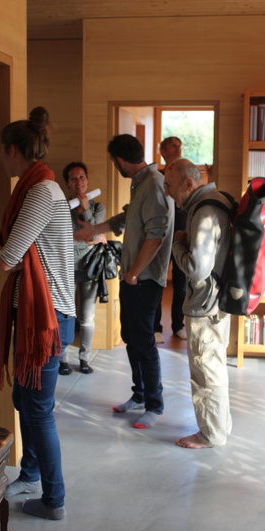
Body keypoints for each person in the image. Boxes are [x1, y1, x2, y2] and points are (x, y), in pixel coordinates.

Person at [0, 106, 76, 520]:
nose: (0, 160)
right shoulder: (37, 187)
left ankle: (54, 500)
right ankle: (29, 474)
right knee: (24, 399)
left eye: (1, 152)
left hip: (47, 319)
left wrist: (9, 250)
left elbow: (8, 257)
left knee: (38, 409)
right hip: (37, 316)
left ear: (13, 151)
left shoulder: (41, 191)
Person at [75, 134, 174, 428]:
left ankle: (154, 406)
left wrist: (133, 273)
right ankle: (140, 395)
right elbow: (126, 218)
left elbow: (156, 237)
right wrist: (93, 229)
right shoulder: (141, 182)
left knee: (144, 342)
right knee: (131, 337)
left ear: (119, 160)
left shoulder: (154, 183)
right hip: (132, 276)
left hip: (144, 278)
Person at [164, 158, 232, 449]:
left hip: (206, 306)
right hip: (218, 303)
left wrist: (177, 243)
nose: (167, 192)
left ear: (188, 183)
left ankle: (210, 434)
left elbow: (197, 269)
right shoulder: (219, 199)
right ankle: (219, 427)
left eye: (169, 185)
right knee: (214, 367)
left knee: (205, 372)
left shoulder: (204, 212)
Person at [58, 161, 106, 375]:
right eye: (73, 178)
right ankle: (63, 359)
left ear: (87, 179)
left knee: (86, 316)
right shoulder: (61, 206)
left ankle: (84, 358)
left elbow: (93, 233)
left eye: (81, 177)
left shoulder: (97, 207)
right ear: (67, 183)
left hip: (89, 266)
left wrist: (86, 209)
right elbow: (61, 238)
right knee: (65, 313)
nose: (78, 182)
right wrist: (90, 239)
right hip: (65, 266)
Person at [154, 136, 187, 343]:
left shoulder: (186, 175)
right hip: (161, 236)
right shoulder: (158, 177)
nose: (178, 149)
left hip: (182, 235)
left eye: (179, 146)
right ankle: (155, 327)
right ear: (164, 152)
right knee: (158, 281)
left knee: (181, 285)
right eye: (173, 145)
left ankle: (178, 325)